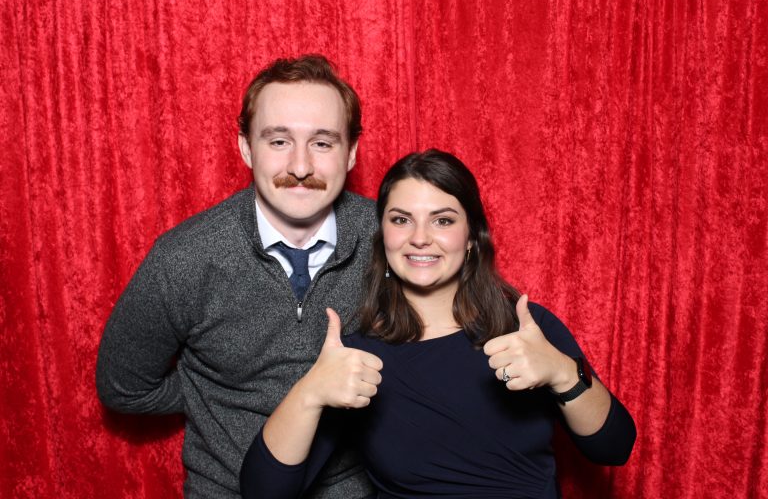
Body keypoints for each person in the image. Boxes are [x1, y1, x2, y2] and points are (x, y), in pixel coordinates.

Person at [240, 149, 637, 498]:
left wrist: (564, 373)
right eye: (401, 220)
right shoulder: (357, 361)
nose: (420, 238)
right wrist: (309, 392)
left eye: (443, 221)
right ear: (384, 237)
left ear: (471, 238)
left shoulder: (526, 331)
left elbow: (615, 448)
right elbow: (263, 491)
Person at [96, 55, 376, 498]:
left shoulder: (391, 239)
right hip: (226, 490)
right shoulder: (184, 257)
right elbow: (123, 388)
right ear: (245, 148)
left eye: (322, 143)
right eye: (279, 141)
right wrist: (216, 398)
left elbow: (470, 322)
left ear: (352, 152)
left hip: (349, 489)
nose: (300, 166)